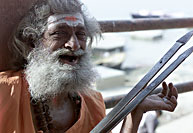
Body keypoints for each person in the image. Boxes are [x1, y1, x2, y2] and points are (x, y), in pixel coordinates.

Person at [0, 0, 178, 132]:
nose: (74, 44)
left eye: (81, 34)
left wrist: (135, 111)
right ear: (34, 43)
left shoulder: (92, 103)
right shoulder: (6, 92)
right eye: (59, 33)